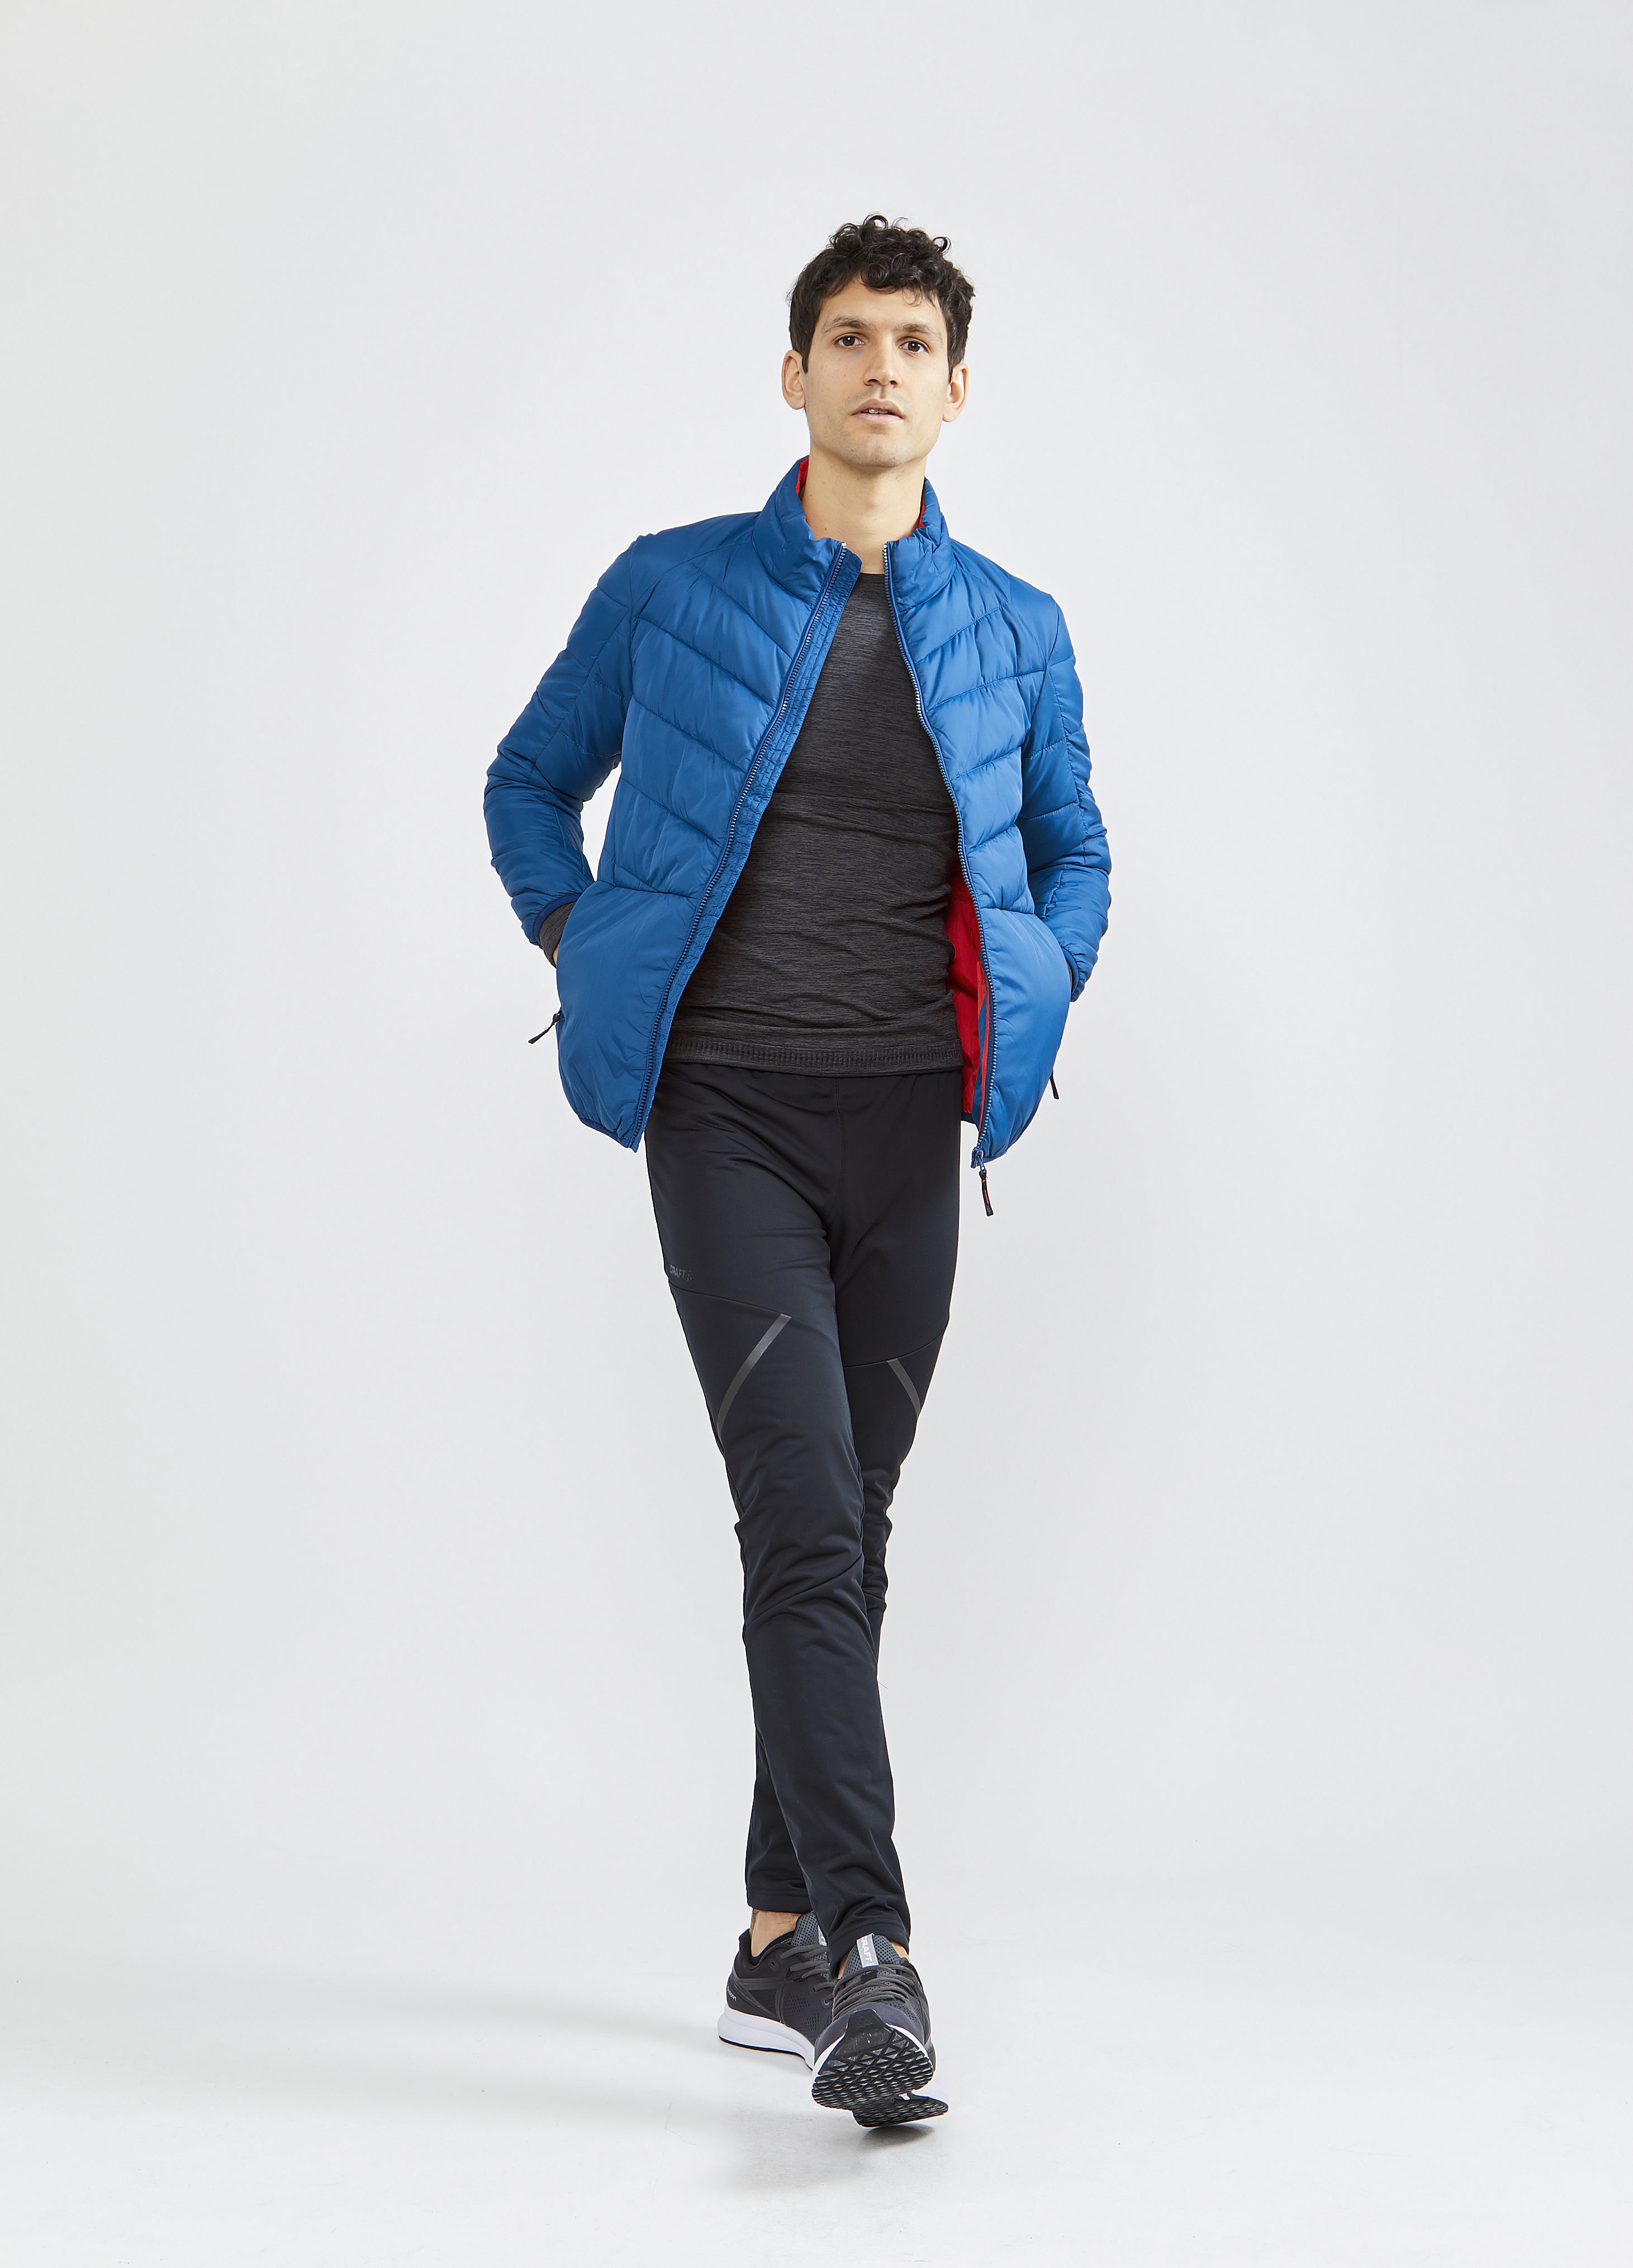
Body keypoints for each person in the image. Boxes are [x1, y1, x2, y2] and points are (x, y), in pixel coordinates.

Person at [485, 215, 1109, 2127]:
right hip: (729, 1113)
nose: (878, 367)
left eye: (910, 341)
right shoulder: (671, 586)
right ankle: (871, 1956)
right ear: (794, 375)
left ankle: (771, 1938)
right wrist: (581, 938)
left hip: (907, 1122)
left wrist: (1043, 977)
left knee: (848, 1524)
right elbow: (527, 778)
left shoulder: (1012, 624)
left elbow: (1075, 845)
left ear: (955, 388)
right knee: (806, 1526)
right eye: (846, 337)